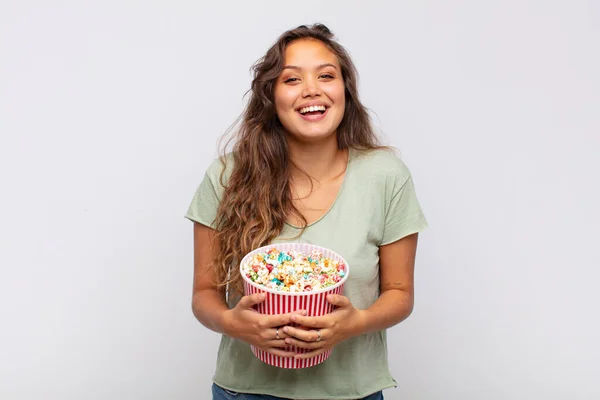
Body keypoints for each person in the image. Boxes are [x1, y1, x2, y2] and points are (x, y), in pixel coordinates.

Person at [186, 23, 428, 400]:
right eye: (292, 79)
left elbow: (399, 292)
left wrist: (356, 322)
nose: (312, 90)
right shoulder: (226, 176)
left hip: (352, 392)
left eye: (326, 76)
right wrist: (233, 323)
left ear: (344, 90)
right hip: (245, 391)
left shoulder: (385, 176)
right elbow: (204, 294)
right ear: (270, 96)